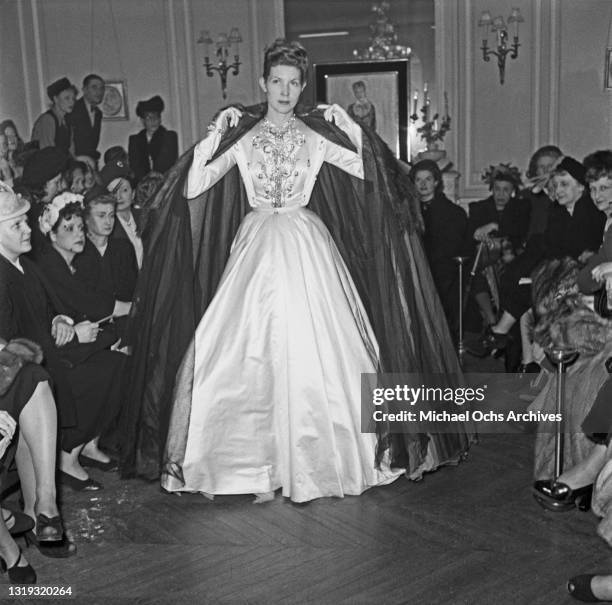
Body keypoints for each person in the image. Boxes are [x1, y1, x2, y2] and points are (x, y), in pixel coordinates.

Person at [121, 40, 471, 499]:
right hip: (257, 247)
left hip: (308, 246)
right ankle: (248, 464)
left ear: (302, 87)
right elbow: (193, 185)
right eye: (277, 82)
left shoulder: (315, 136)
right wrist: (214, 135)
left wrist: (351, 127)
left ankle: (327, 458)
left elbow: (369, 172)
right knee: (241, 349)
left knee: (320, 346)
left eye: (293, 83)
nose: (284, 91)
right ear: (263, 84)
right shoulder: (243, 137)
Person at [409, 159, 469, 338]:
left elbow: (453, 249)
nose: (423, 184)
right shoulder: (409, 211)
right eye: (418, 180)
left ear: (436, 182)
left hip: (443, 274)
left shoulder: (453, 213)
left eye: (428, 179)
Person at [128, 95, 178, 184]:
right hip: (142, 184)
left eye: (156, 117)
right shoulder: (135, 140)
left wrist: (156, 175)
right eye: (149, 118)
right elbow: (135, 164)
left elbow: (169, 160)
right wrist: (146, 178)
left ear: (160, 119)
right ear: (142, 121)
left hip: (164, 181)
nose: (153, 121)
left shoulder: (169, 137)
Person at [30, 78, 76, 154]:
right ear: (56, 99)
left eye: (73, 98)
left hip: (61, 162)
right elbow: (48, 154)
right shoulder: (47, 120)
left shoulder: (67, 122)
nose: (72, 102)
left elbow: (71, 151)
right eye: (67, 98)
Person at [70, 74, 104, 163]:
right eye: (94, 87)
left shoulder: (98, 113)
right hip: (75, 162)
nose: (99, 92)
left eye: (101, 88)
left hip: (91, 161)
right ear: (84, 90)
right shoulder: (73, 109)